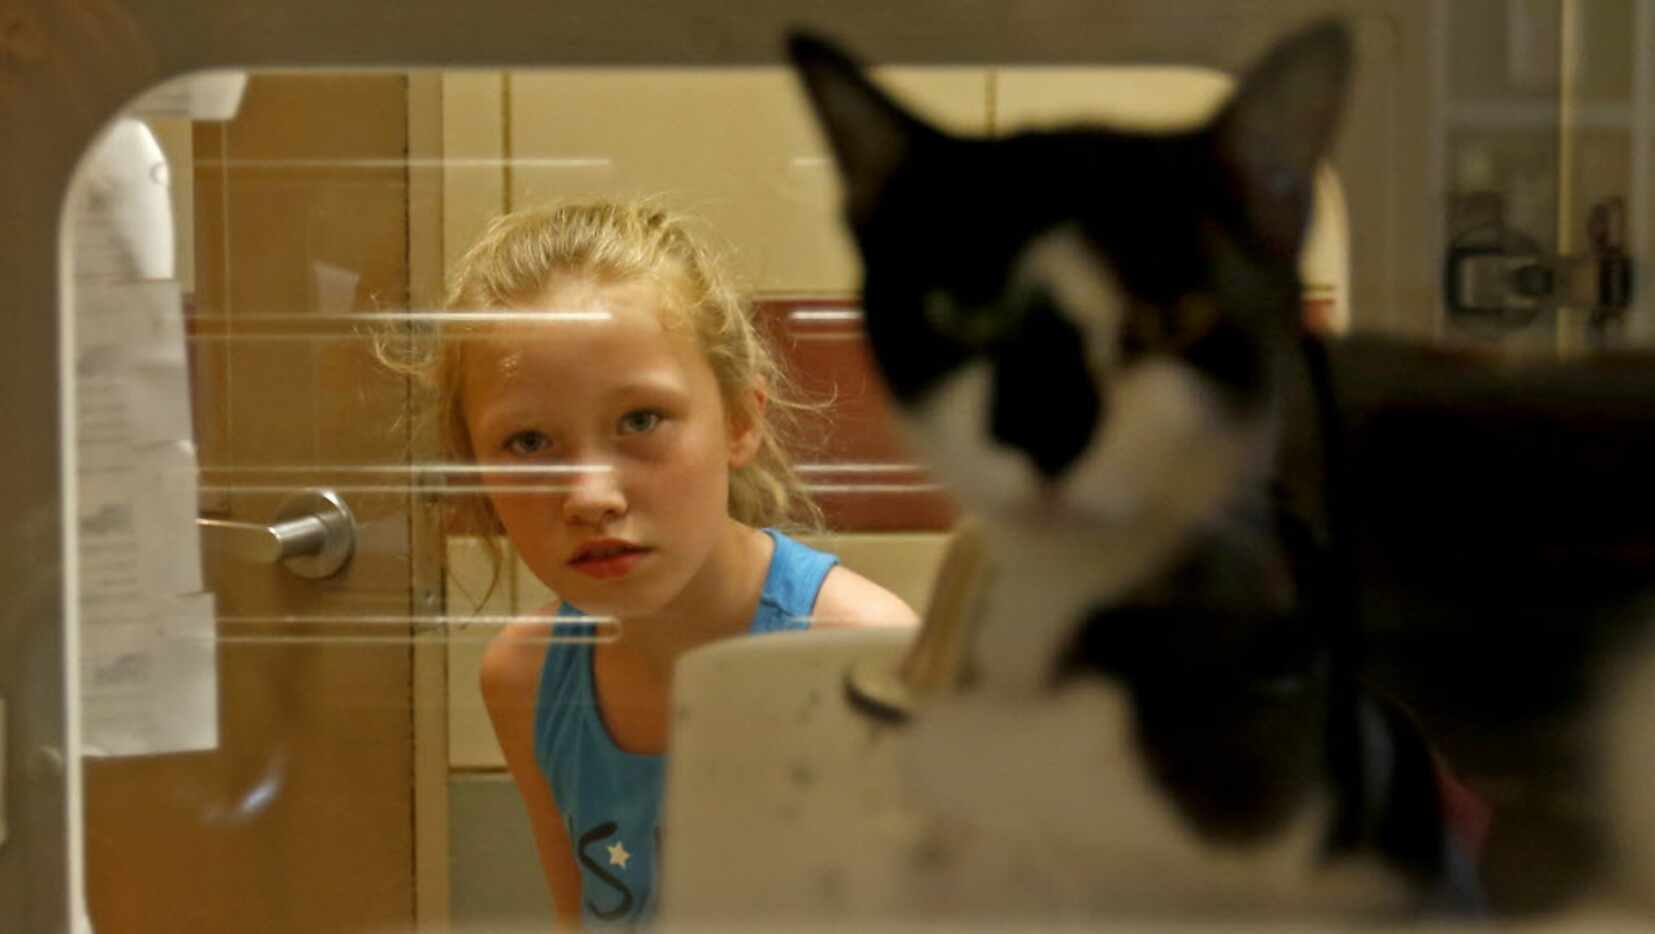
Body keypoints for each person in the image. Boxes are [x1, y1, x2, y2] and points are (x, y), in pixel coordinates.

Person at [405, 200, 916, 928]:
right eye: (527, 443)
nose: (589, 497)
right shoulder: (526, 679)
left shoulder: (860, 653)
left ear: (740, 420)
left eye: (640, 421)